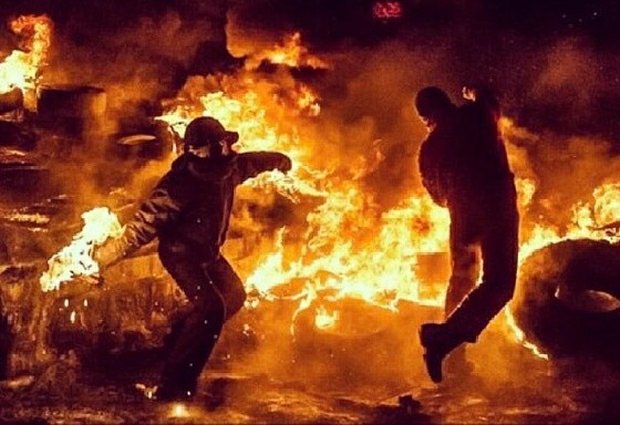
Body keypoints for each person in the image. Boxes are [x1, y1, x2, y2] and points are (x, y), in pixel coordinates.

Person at [93, 116, 292, 401]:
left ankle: (176, 340)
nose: (213, 152)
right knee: (212, 310)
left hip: (208, 253)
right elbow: (141, 227)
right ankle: (173, 388)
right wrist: (102, 259)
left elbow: (254, 161)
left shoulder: (231, 169)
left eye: (217, 145)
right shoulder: (179, 184)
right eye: (200, 149)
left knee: (234, 296)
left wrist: (280, 161)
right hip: (181, 254)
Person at [415, 86, 519, 383]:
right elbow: (491, 97)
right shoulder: (477, 114)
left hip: (462, 216)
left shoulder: (428, 149)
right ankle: (444, 339)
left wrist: (458, 195)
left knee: (462, 280)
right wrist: (471, 91)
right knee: (499, 283)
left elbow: (437, 197)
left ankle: (454, 361)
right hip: (497, 207)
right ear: (447, 102)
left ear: (426, 117)